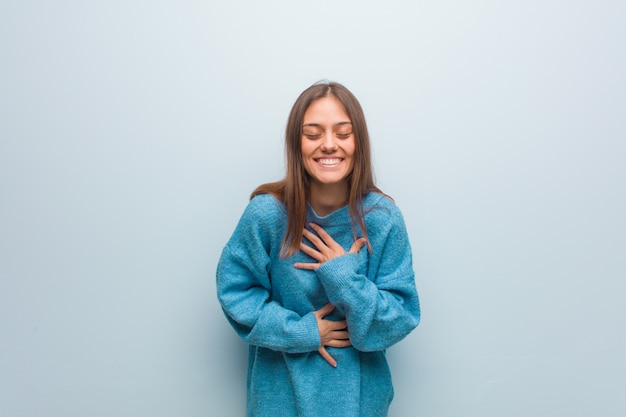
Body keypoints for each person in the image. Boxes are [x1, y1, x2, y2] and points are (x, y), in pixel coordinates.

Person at [216, 81, 420, 417]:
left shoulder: (383, 219)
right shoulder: (267, 215)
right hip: (278, 400)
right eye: (313, 134)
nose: (328, 145)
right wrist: (304, 331)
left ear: (359, 143)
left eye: (343, 133)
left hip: (358, 402)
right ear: (297, 144)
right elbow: (235, 294)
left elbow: (399, 318)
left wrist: (344, 278)